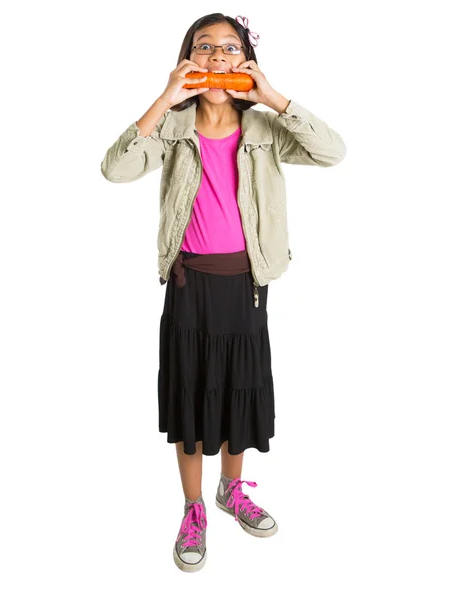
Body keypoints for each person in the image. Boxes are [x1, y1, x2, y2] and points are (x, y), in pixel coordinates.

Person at [100, 13, 346, 573]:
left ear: (245, 59)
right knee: (190, 391)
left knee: (239, 389)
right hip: (190, 281)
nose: (216, 57)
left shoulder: (264, 128)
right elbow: (115, 169)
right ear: (189, 57)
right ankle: (193, 507)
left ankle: (229, 491)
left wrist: (275, 97)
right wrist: (165, 97)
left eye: (229, 48)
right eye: (204, 47)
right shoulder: (174, 126)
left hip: (247, 282)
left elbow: (333, 151)